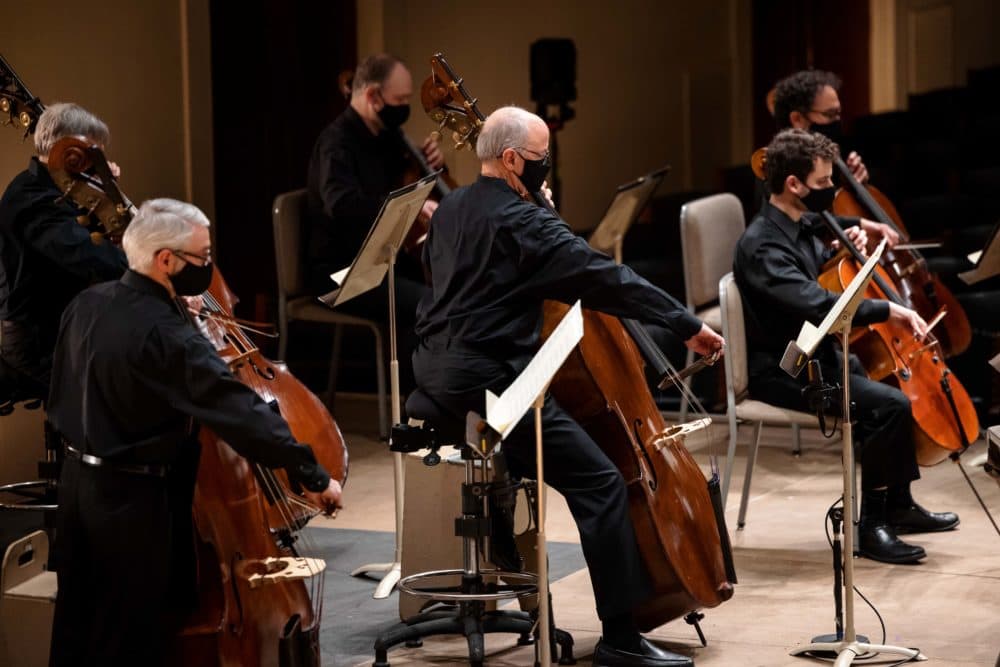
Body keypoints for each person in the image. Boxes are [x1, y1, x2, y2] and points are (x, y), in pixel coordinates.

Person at [412, 106, 724, 667]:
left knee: (557, 458)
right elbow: (607, 278)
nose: (545, 167)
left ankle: (505, 522)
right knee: (601, 484)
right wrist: (687, 324)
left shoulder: (450, 207)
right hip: (494, 384)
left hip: (431, 372)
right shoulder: (528, 222)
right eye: (540, 159)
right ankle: (620, 639)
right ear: (510, 160)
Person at [46, 198, 342, 666]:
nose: (207, 269)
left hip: (75, 490)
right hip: (134, 504)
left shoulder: (85, 304)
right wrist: (312, 472)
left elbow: (58, 395)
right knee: (131, 641)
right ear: (166, 260)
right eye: (202, 258)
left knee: (76, 632)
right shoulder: (169, 336)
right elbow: (238, 409)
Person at [733, 129, 959, 565]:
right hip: (785, 371)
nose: (831, 193)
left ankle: (898, 504)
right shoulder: (761, 246)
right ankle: (872, 526)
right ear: (794, 185)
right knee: (888, 405)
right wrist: (887, 311)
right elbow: (817, 303)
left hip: (819, 358)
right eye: (822, 184)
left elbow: (819, 227)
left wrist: (858, 228)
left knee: (882, 388)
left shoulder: (793, 220)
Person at [304, 53, 444, 390]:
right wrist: (406, 207)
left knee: (447, 292)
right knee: (425, 305)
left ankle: (441, 393)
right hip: (339, 271)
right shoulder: (336, 144)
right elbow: (342, 205)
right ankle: (417, 408)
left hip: (379, 261)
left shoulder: (385, 137)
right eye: (400, 100)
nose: (405, 107)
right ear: (372, 97)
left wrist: (432, 165)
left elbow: (404, 182)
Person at [0, 102, 127, 398]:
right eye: (93, 151)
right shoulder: (37, 201)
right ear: (71, 152)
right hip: (37, 345)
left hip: (57, 329)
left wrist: (104, 190)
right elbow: (89, 257)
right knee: (123, 391)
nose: (97, 161)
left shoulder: (45, 188)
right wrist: (150, 269)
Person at [772, 68, 868, 184]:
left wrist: (857, 189)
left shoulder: (834, 162)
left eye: (838, 113)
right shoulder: (780, 174)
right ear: (797, 119)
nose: (837, 120)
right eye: (830, 114)